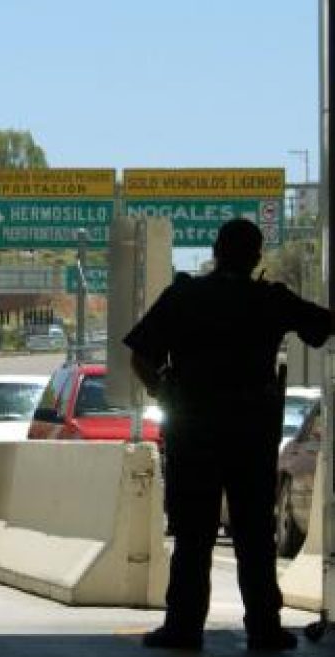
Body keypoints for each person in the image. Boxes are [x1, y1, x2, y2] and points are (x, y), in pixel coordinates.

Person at [124, 218, 334, 651]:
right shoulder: (269, 301)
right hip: (251, 436)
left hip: (193, 434)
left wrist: (169, 394)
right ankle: (264, 627)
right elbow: (322, 326)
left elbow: (141, 355)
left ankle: (183, 627)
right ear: (256, 256)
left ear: (215, 251)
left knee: (193, 534)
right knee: (255, 535)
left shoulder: (184, 296)